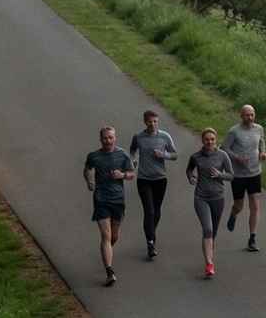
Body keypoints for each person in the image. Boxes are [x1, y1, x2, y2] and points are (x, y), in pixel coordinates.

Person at [83, 125, 135, 287]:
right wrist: (90, 181)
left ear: (115, 138)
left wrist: (123, 175)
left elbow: (132, 174)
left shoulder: (122, 155)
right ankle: (109, 271)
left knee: (114, 237)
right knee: (105, 236)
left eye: (110, 137)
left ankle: (106, 252)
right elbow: (87, 169)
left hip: (118, 200)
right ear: (101, 139)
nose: (108, 140)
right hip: (101, 199)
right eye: (105, 138)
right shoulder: (94, 156)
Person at [185, 128, 234, 280]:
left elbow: (231, 175)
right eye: (207, 139)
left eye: (212, 139)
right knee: (207, 229)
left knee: (213, 233)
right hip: (201, 197)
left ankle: (209, 254)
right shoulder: (196, 157)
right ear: (203, 141)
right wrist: (191, 177)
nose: (210, 142)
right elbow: (189, 170)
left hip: (218, 198)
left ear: (216, 140)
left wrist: (220, 175)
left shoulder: (222, 155)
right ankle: (209, 264)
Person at [128, 108, 176, 260]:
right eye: (150, 122)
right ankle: (150, 242)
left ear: (158, 121)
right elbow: (132, 150)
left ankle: (150, 233)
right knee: (149, 211)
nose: (153, 124)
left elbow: (175, 154)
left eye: (155, 121)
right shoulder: (139, 137)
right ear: (145, 122)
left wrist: (164, 155)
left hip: (160, 179)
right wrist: (133, 159)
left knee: (156, 210)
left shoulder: (165, 136)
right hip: (144, 179)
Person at [223, 103, 265, 254]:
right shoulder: (234, 131)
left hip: (255, 172)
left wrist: (262, 153)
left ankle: (252, 238)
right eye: (247, 115)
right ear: (241, 116)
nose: (250, 117)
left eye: (252, 114)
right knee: (239, 205)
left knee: (255, 205)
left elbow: (261, 143)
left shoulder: (259, 129)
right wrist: (237, 158)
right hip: (239, 175)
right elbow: (224, 148)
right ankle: (233, 214)